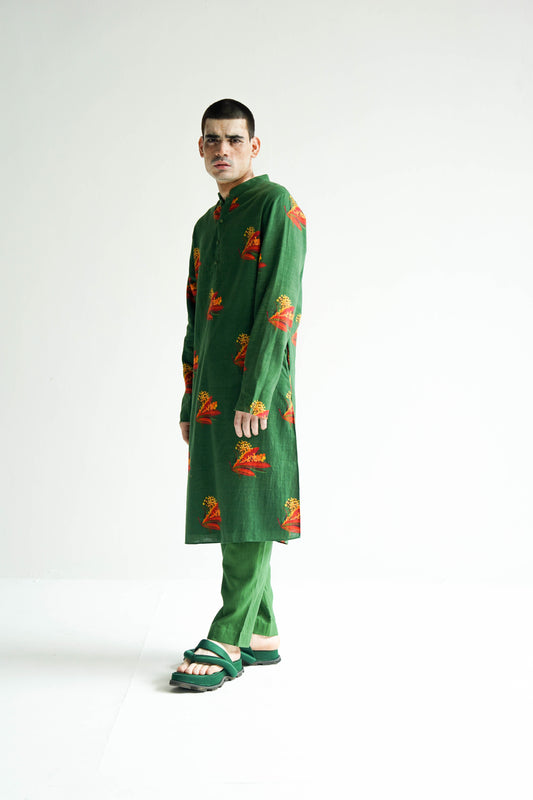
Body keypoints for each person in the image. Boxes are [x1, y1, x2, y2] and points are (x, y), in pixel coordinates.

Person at [170, 99, 306, 691]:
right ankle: (262, 632)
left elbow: (282, 302)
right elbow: (195, 317)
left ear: (254, 146)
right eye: (211, 140)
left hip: (257, 390)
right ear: (200, 148)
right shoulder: (207, 225)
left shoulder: (276, 205)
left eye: (233, 139)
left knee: (252, 502)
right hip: (211, 392)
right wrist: (188, 400)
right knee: (231, 503)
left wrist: (257, 395)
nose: (221, 149)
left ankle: (227, 633)